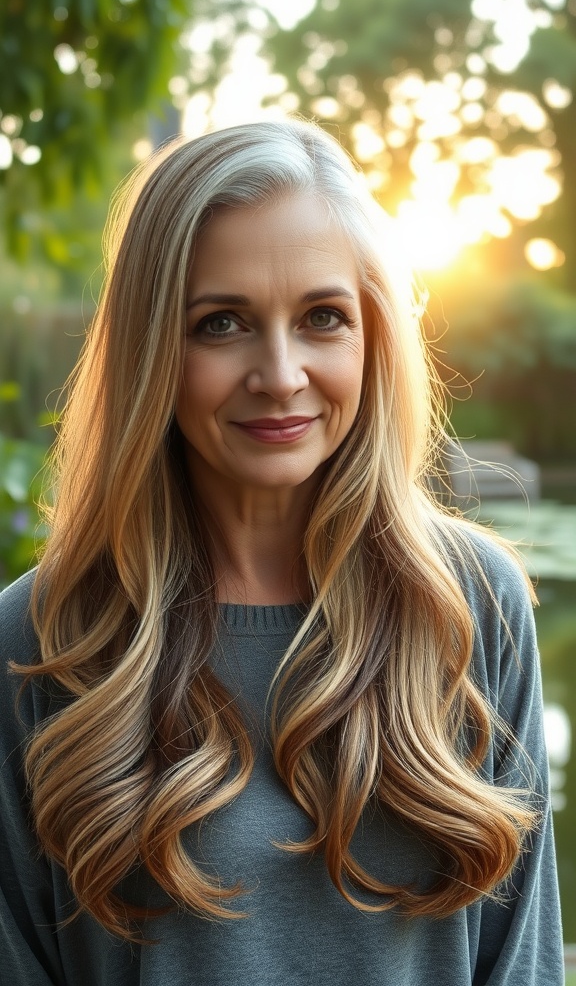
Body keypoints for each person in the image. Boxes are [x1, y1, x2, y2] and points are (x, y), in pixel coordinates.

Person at [0, 119, 564, 986]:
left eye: (322, 318)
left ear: (372, 338)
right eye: (221, 322)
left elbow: (518, 957)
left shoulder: (470, 603)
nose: (281, 372)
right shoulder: (37, 639)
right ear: (153, 349)